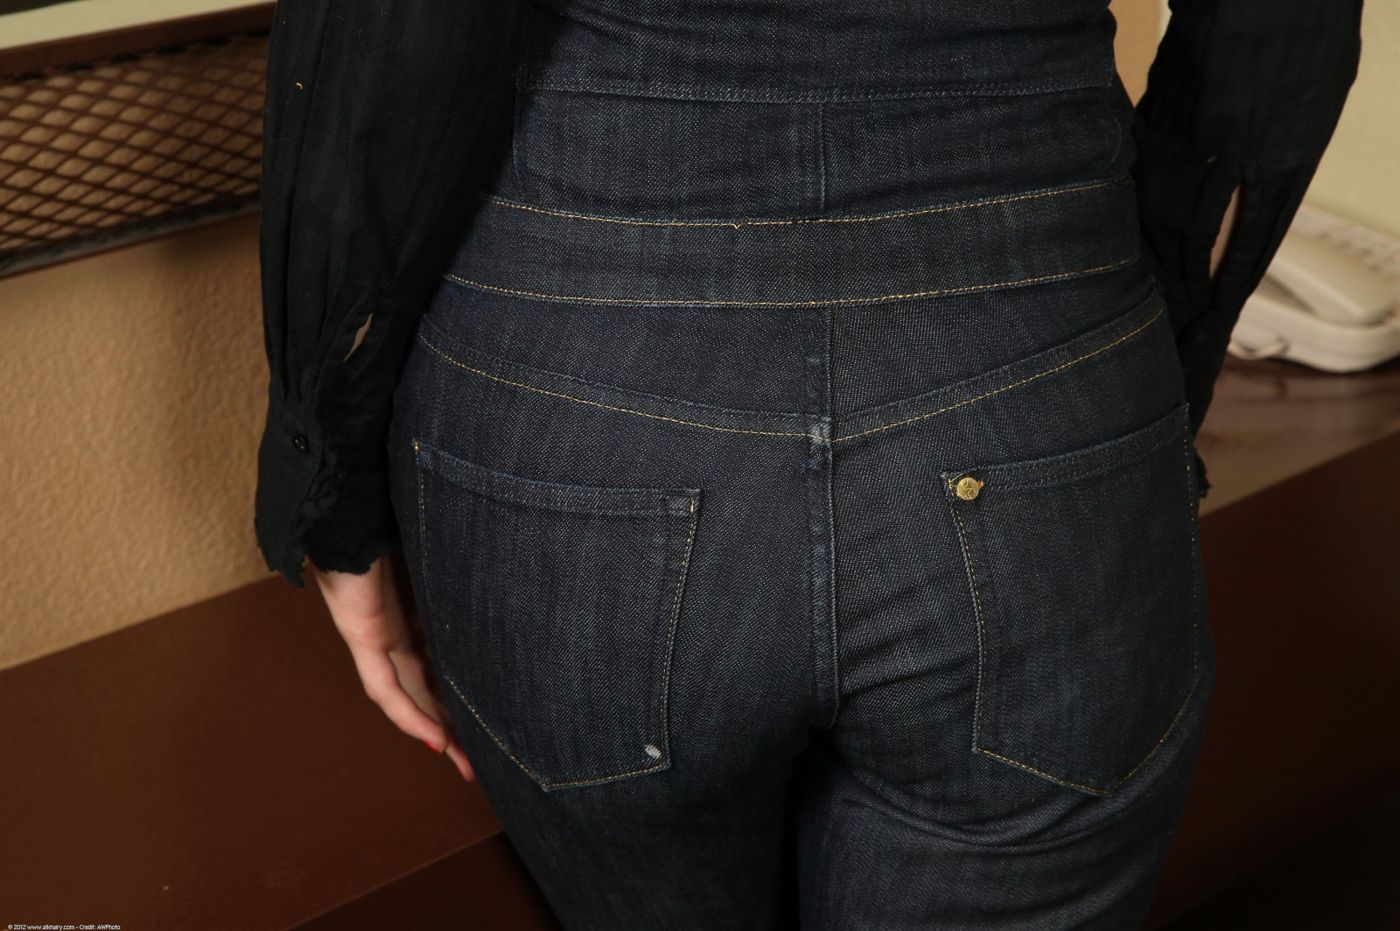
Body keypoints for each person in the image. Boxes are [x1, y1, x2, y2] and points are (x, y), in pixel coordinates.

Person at [253, 1, 1363, 927]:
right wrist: (1134, 364)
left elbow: (386, 38)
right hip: (1034, 352)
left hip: (584, 385)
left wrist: (331, 484)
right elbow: (1275, 31)